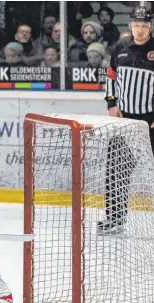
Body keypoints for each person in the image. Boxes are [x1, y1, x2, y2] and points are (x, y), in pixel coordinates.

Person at [99, 5, 154, 232]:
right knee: (116, 168)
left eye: (144, 26)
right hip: (124, 121)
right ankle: (115, 219)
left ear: (150, 26)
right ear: (130, 24)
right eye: (136, 25)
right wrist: (112, 103)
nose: (140, 30)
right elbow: (111, 75)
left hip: (150, 121)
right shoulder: (120, 47)